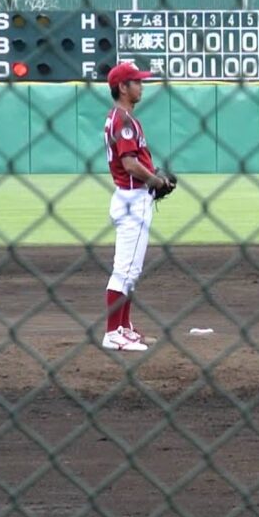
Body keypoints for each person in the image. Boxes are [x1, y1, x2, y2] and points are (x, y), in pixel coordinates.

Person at [101, 61, 173, 351]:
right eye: (137, 82)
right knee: (124, 270)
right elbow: (130, 164)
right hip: (132, 198)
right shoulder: (124, 121)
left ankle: (124, 327)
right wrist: (155, 180)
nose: (141, 86)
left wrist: (155, 178)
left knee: (131, 270)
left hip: (131, 197)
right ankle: (112, 333)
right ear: (123, 87)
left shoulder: (120, 117)